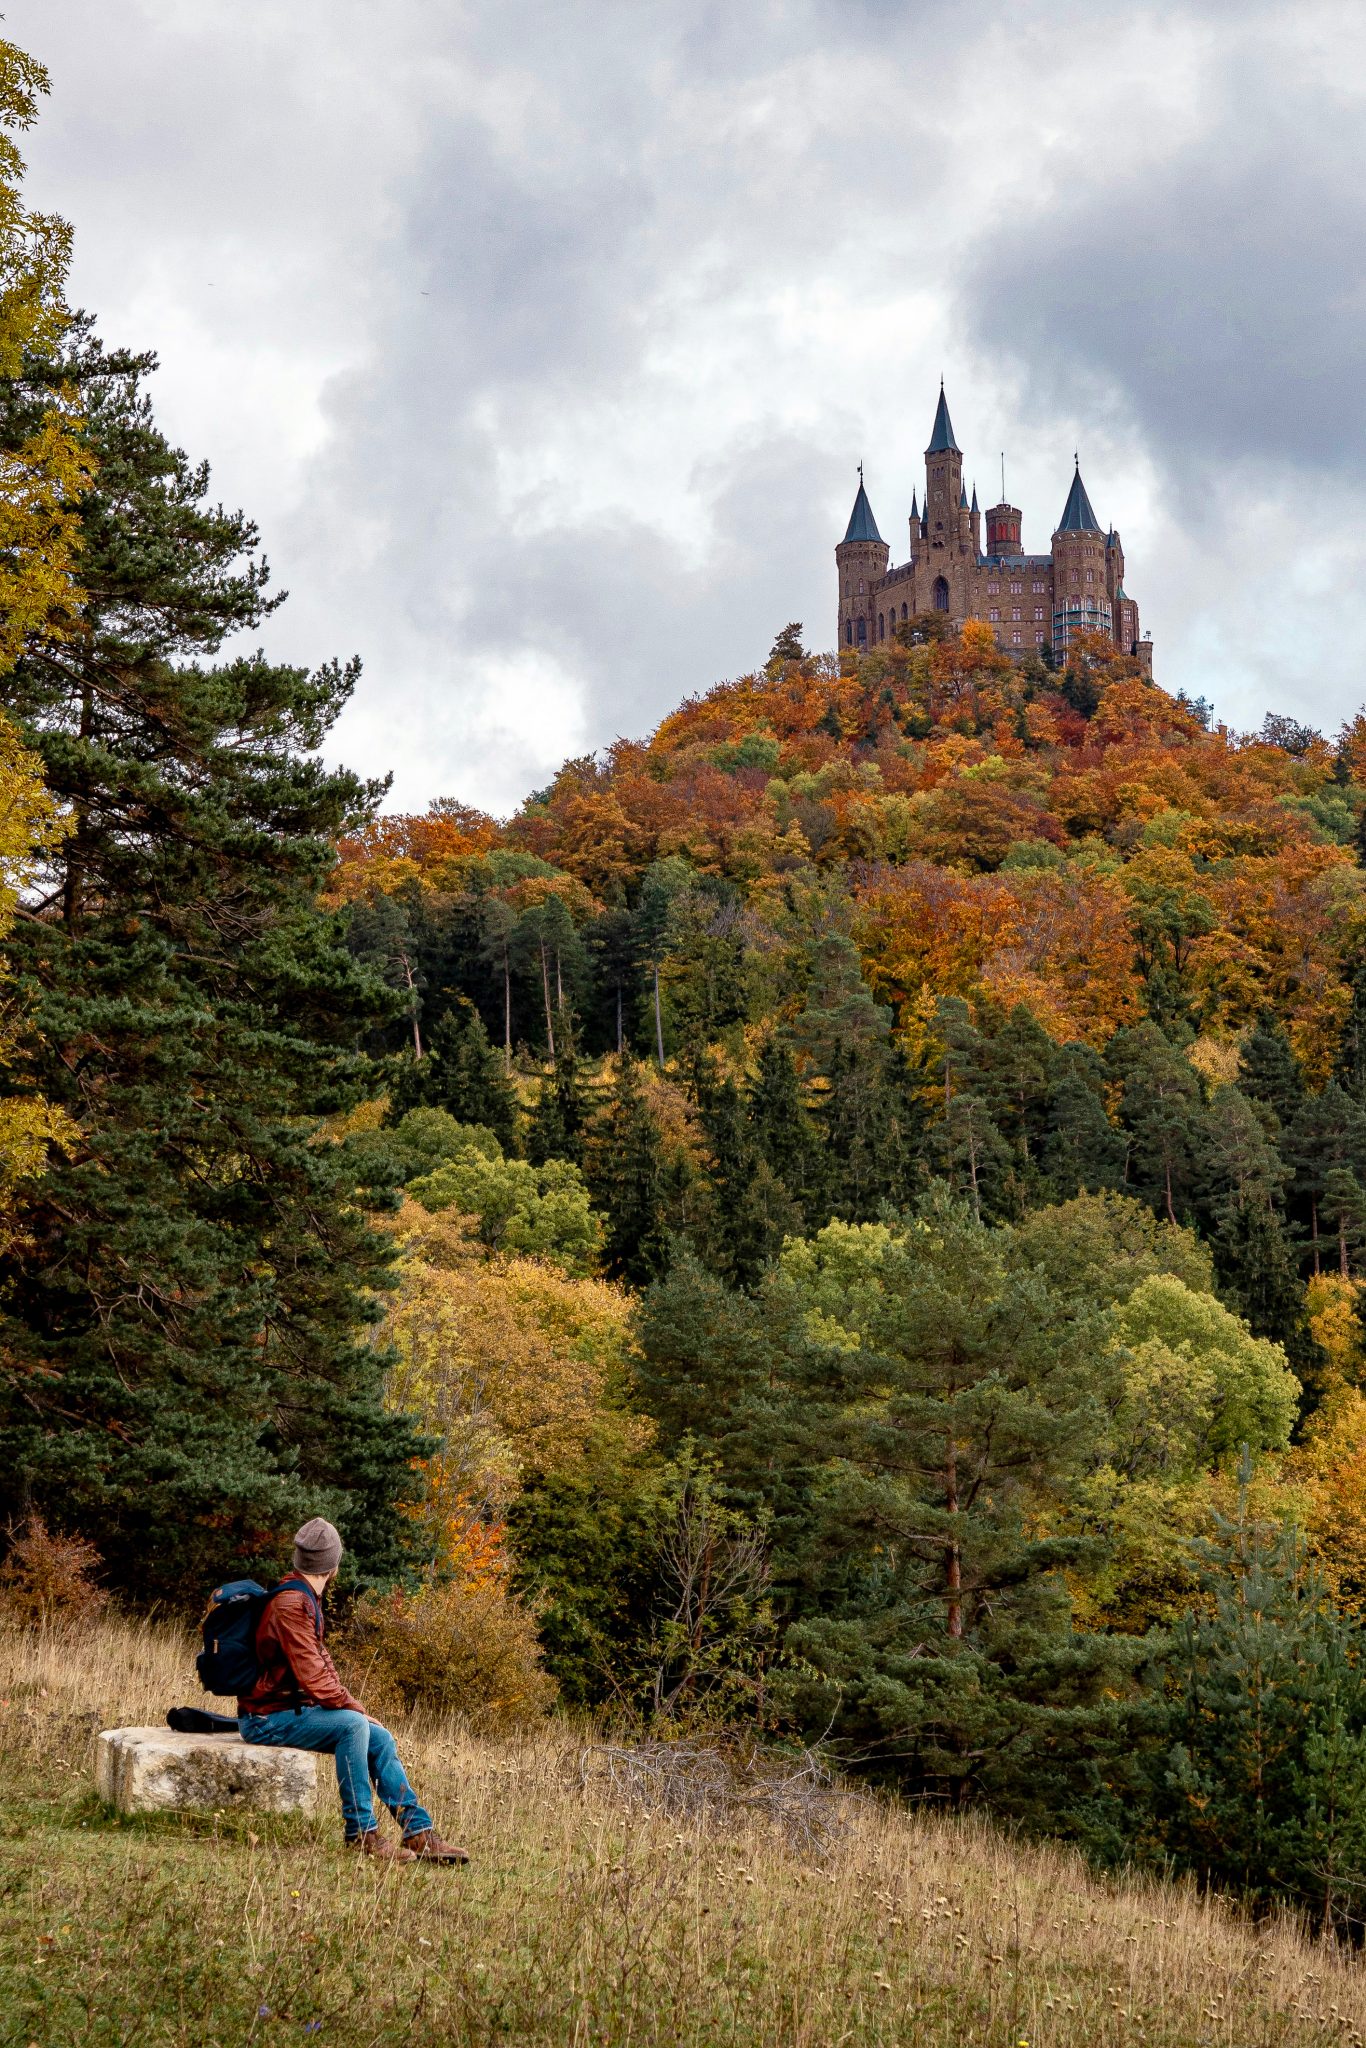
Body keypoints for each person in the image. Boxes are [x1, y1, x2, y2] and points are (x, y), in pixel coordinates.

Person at [238, 1516, 468, 1865]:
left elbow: (322, 1662)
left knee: (380, 1737)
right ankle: (362, 1834)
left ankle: (418, 1833)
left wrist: (355, 1706)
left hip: (292, 1710)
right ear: (333, 1565)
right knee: (353, 1725)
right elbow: (314, 1676)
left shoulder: (304, 1598)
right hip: (267, 1718)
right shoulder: (290, 1604)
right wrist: (353, 1711)